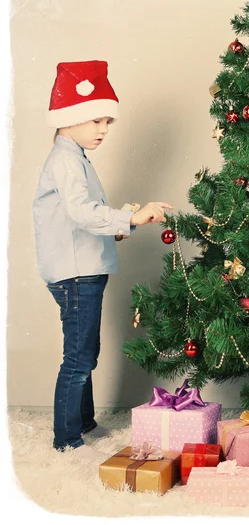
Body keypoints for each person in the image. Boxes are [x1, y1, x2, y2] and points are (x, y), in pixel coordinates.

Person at [33, 60, 173, 459]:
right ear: (70, 118)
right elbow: (80, 212)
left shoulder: (73, 157)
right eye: (96, 121)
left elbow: (75, 215)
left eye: (107, 122)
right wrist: (129, 216)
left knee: (85, 352)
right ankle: (66, 438)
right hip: (77, 274)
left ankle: (83, 422)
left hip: (83, 269)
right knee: (78, 357)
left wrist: (121, 224)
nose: (103, 131)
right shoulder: (65, 160)